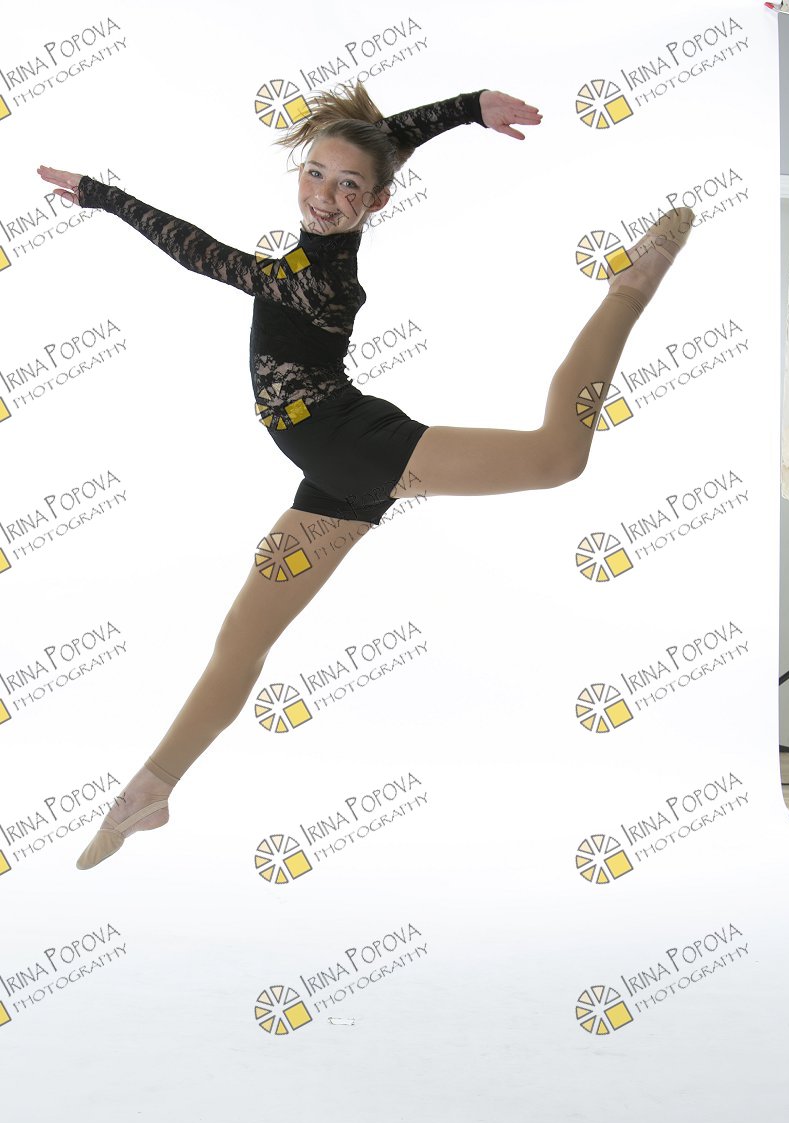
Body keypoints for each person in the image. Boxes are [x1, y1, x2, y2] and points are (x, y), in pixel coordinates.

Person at [36, 82, 693, 871]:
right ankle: (149, 792)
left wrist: (106, 197)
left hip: (351, 445)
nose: (325, 195)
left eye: (348, 187)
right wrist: (466, 108)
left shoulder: (308, 277)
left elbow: (195, 250)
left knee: (558, 457)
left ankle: (631, 289)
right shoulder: (328, 226)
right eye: (315, 173)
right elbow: (383, 144)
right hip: (333, 470)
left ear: (378, 201)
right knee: (243, 639)